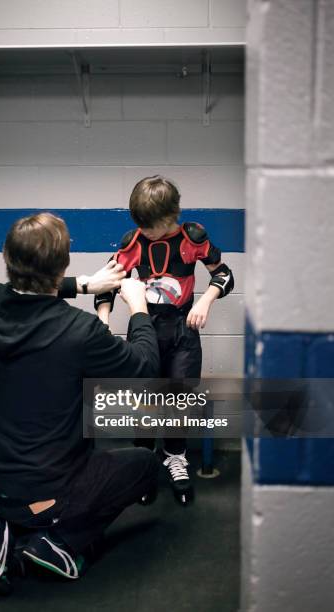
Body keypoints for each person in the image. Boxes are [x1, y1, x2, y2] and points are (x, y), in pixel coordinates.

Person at [0, 212, 160, 590]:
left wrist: (86, 285)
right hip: (49, 490)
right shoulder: (80, 331)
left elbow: (28, 291)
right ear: (64, 261)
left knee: (17, 482)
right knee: (145, 465)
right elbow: (145, 367)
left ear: (6, 256)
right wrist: (139, 307)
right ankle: (55, 544)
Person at [95, 176, 234, 505]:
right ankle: (142, 464)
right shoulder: (135, 241)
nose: (146, 232)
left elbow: (225, 273)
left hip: (183, 325)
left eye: (152, 226)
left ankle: (176, 457)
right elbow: (105, 284)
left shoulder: (192, 238)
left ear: (172, 216)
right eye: (141, 225)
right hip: (145, 325)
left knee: (179, 396)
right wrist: (102, 320)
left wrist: (206, 299)